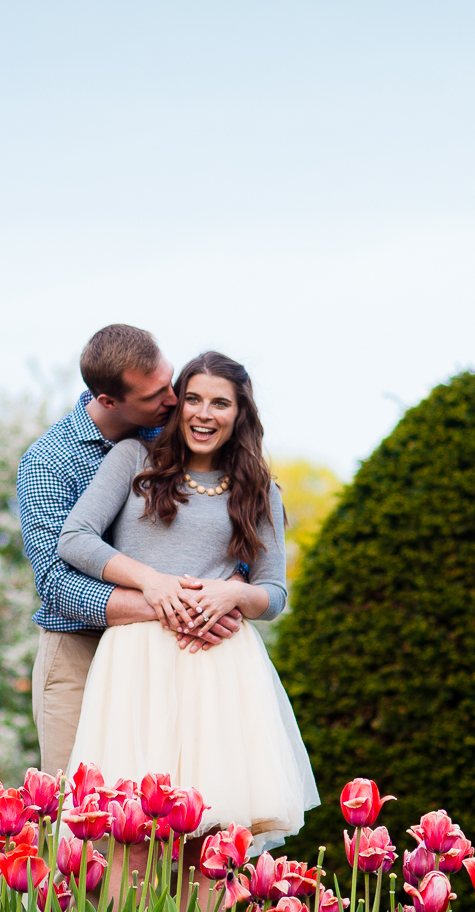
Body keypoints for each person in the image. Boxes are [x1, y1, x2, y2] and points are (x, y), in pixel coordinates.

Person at [58, 351, 319, 852]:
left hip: (220, 668)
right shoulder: (133, 458)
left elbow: (275, 594)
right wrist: (152, 583)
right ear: (177, 405)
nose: (204, 413)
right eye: (193, 399)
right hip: (137, 661)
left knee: (215, 835)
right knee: (128, 826)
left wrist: (234, 593)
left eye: (220, 403)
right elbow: (77, 538)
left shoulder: (261, 490)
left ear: (240, 413)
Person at [17, 325, 248, 775]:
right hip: (79, 650)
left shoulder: (177, 428)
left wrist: (232, 587)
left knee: (179, 807)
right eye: (156, 395)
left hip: (174, 652)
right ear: (108, 402)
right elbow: (56, 583)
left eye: (169, 383)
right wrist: (172, 602)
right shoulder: (50, 460)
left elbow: (225, 510)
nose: (174, 400)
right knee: (80, 811)